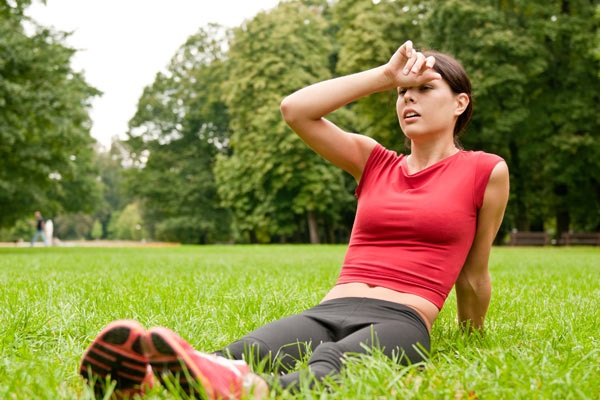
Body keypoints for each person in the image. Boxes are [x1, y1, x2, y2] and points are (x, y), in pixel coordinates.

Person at [79, 40, 509, 399]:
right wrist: (385, 76)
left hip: (402, 319)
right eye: (402, 93)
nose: (408, 98)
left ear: (460, 102)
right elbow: (296, 109)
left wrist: (470, 340)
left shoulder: (485, 171)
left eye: (424, 87)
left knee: (330, 367)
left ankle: (250, 390)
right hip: (331, 308)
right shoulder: (374, 161)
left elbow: (474, 274)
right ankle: (146, 382)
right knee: (244, 351)